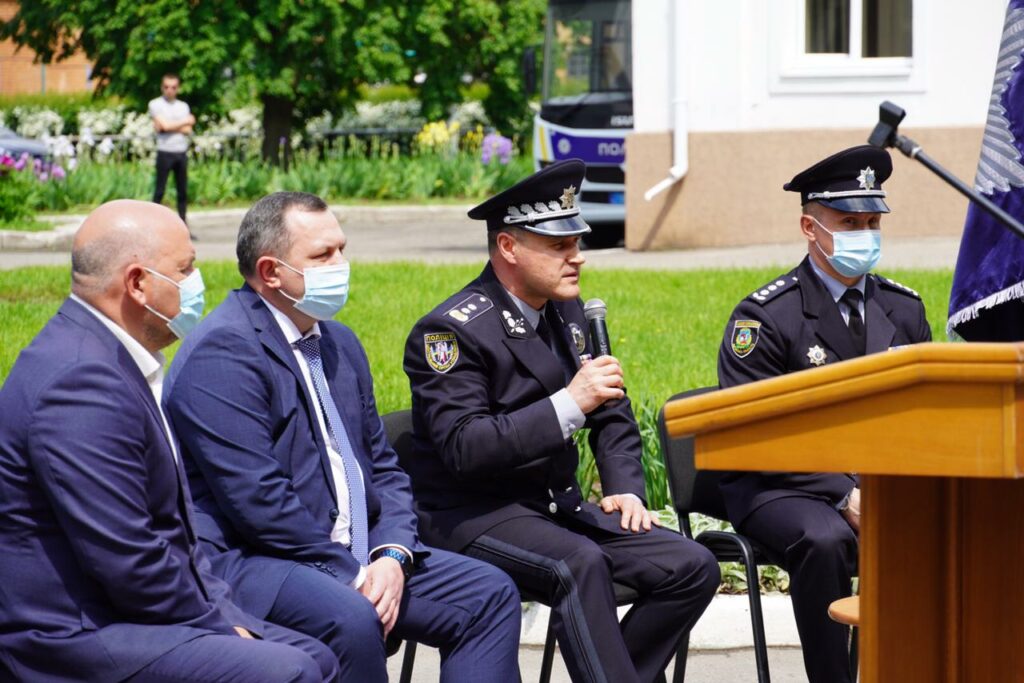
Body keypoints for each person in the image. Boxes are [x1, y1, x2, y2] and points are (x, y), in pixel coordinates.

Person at [164, 191, 521, 682]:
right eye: (322, 255)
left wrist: (393, 556)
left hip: (357, 553)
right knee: (352, 616)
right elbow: (258, 502)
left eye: (341, 249)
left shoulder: (337, 342)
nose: (341, 264)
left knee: (488, 593)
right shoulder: (224, 352)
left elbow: (383, 465)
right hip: (255, 561)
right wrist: (352, 575)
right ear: (270, 272)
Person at [402, 159, 720, 683]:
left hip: (552, 508)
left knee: (690, 566)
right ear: (508, 248)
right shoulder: (451, 331)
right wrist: (569, 403)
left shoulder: (566, 311)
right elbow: (466, 447)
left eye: (576, 243)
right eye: (559, 246)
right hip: (475, 513)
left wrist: (625, 488)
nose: (578, 258)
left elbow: (612, 407)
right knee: (581, 564)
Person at [0, 200, 337, 683]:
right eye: (186, 268)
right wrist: (218, 626)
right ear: (138, 284)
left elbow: (175, 536)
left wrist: (227, 616)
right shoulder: (79, 383)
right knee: (291, 670)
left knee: (320, 655)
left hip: (119, 614)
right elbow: (127, 557)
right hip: (69, 636)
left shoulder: (108, 355)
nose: (197, 281)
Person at [716, 145, 932, 683]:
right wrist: (843, 492)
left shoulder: (904, 310)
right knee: (826, 538)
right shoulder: (766, 317)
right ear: (810, 228)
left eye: (872, 221)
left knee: (956, 527)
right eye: (849, 222)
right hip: (783, 484)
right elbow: (755, 432)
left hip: (877, 480)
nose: (865, 233)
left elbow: (925, 415)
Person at [149, 73, 194, 223]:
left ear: (178, 88)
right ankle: (152, 223)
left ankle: (183, 224)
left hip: (180, 152)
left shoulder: (183, 106)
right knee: (159, 191)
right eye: (167, 87)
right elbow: (165, 125)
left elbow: (187, 130)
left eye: (173, 87)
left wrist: (167, 126)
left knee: (182, 192)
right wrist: (183, 122)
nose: (170, 90)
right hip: (165, 152)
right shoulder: (155, 104)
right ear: (162, 87)